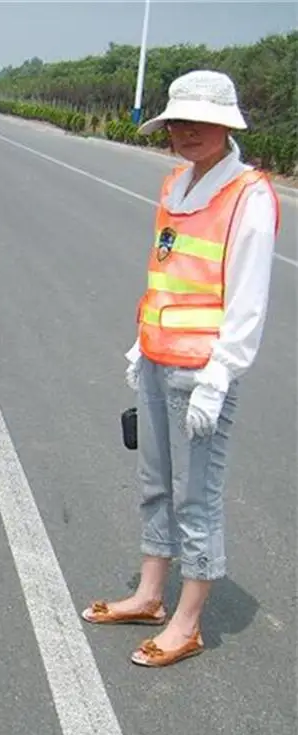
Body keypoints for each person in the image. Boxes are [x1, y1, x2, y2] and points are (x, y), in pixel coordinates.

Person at [82, 70, 280, 667]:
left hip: (202, 372)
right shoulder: (175, 185)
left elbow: (248, 300)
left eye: (200, 121)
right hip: (157, 358)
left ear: (227, 126)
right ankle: (149, 594)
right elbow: (166, 275)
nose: (187, 132)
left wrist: (219, 377)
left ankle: (188, 621)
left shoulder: (250, 196)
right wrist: (139, 344)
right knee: (154, 487)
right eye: (178, 122)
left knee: (197, 498)